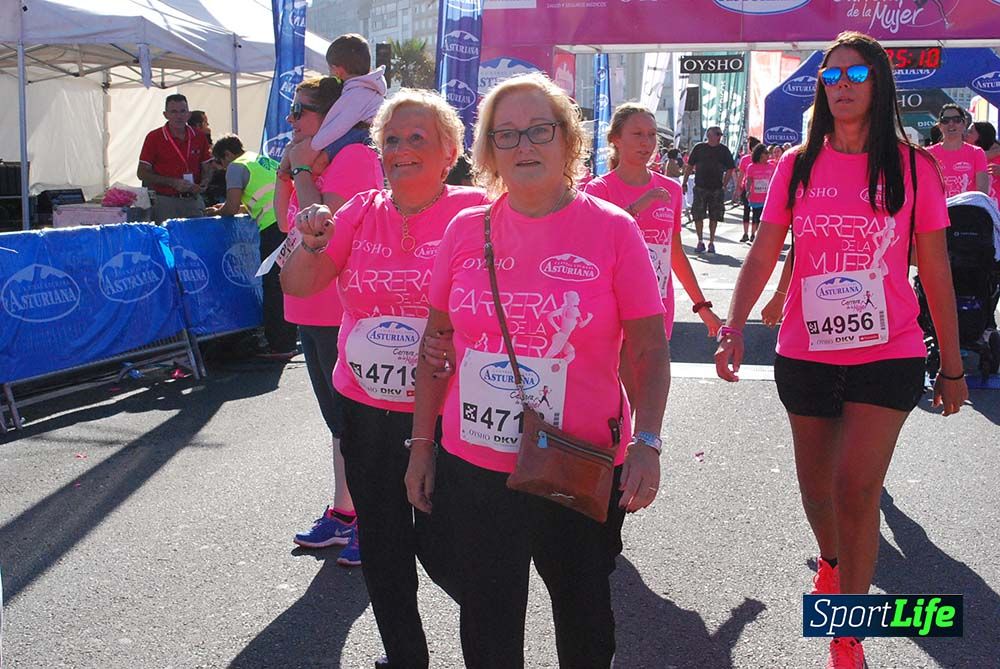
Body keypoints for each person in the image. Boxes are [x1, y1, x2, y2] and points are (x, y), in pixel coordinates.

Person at [714, 32, 968, 669]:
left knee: (857, 490)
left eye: (856, 74)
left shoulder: (914, 168)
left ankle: (849, 633)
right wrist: (734, 323)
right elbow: (766, 249)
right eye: (832, 77)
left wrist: (953, 366)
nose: (843, 86)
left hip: (890, 352)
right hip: (806, 352)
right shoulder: (798, 165)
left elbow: (936, 270)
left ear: (880, 84)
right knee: (817, 492)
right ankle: (832, 563)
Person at [405, 73, 669, 669]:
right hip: (476, 465)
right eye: (506, 134)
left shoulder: (613, 229)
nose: (523, 145)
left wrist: (648, 442)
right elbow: (436, 345)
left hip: (576, 460)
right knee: (488, 621)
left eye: (538, 131)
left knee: (584, 617)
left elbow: (649, 350)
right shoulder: (464, 231)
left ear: (568, 140)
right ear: (489, 151)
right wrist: (422, 445)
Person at [282, 88, 487, 668]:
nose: (401, 148)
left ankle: (489, 644)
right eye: (391, 139)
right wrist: (310, 240)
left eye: (417, 137)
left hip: (451, 413)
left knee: (450, 549)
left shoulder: (478, 211)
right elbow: (300, 285)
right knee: (383, 545)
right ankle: (405, 656)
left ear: (450, 152)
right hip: (367, 410)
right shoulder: (360, 211)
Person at [583, 102, 723, 351]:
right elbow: (593, 251)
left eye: (651, 134)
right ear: (616, 139)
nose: (646, 142)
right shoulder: (598, 190)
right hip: (612, 306)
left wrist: (702, 306)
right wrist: (637, 206)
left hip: (656, 304)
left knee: (654, 376)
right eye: (637, 134)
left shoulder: (670, 190)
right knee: (615, 376)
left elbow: (675, 253)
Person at [207, 134, 298, 358]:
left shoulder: (236, 167)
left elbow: (231, 207)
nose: (222, 169)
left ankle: (279, 345)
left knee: (273, 285)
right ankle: (292, 337)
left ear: (226, 155)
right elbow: (259, 198)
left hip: (273, 226)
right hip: (290, 220)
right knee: (289, 281)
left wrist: (215, 211)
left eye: (220, 163)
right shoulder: (261, 160)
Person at [137, 94, 213, 222]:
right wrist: (172, 182)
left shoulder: (199, 136)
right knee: (167, 235)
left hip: (193, 200)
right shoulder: (154, 137)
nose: (179, 116)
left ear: (188, 114)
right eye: (174, 112)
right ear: (165, 114)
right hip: (165, 202)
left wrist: (204, 182)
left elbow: (208, 166)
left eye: (182, 111)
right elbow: (142, 173)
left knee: (197, 234)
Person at [310, 33, 387, 159]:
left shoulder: (356, 94)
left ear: (337, 70)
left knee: (320, 160)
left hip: (366, 136)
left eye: (330, 69)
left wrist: (314, 144)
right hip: (377, 138)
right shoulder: (371, 89)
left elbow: (335, 128)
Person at [682, 125, 735, 254]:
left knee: (714, 216)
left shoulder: (723, 150)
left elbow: (730, 168)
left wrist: (725, 183)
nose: (719, 137)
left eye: (720, 135)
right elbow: (690, 166)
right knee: (697, 215)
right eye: (717, 134)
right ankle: (700, 241)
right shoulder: (699, 148)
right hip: (700, 186)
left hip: (716, 188)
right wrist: (684, 182)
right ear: (709, 135)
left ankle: (711, 241)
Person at [927, 104, 989, 198]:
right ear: (940, 125)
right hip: (939, 207)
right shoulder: (928, 154)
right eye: (945, 120)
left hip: (968, 206)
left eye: (957, 120)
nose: (951, 124)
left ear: (964, 124)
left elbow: (982, 193)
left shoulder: (977, 153)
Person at [742, 142, 774, 242]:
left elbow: (774, 181)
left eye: (768, 153)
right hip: (755, 197)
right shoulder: (751, 167)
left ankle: (759, 236)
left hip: (767, 198)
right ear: (760, 154)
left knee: (764, 218)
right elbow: (748, 180)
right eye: (766, 153)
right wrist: (747, 191)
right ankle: (753, 234)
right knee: (756, 216)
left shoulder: (771, 167)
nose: (768, 155)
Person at [736, 136, 762, 242]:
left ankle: (753, 234)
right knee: (746, 211)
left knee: (756, 212)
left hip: (759, 190)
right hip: (746, 189)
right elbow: (741, 175)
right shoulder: (745, 159)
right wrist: (738, 188)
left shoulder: (763, 160)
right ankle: (746, 233)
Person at [968, 121, 1000, 205]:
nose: (966, 134)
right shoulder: (967, 155)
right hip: (974, 206)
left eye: (970, 132)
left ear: (981, 135)